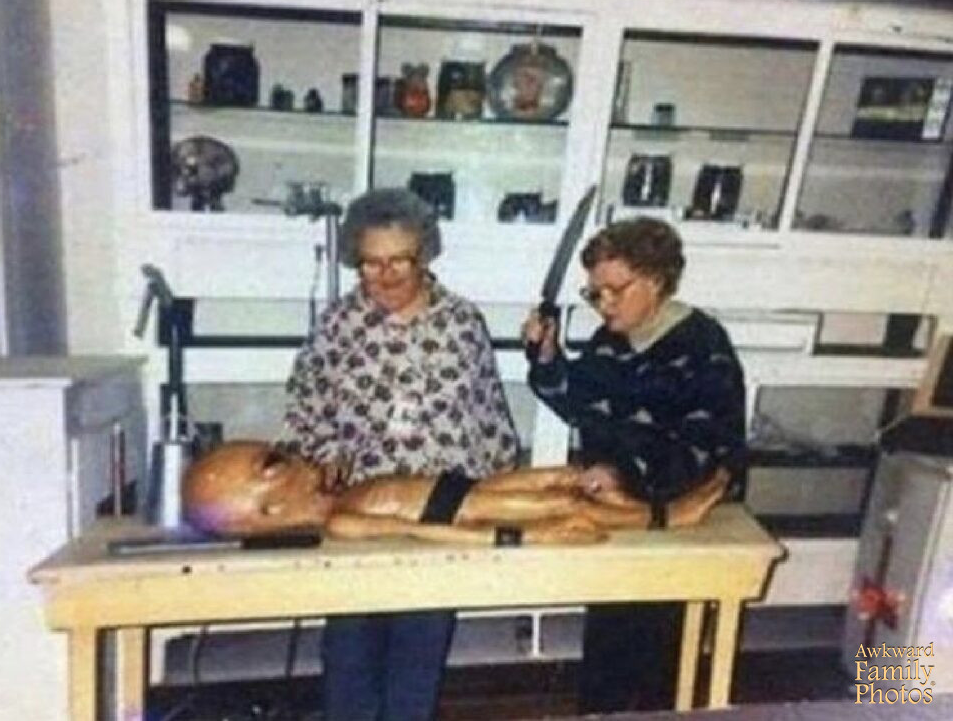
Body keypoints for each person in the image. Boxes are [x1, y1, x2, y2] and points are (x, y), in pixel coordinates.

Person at [274, 188, 518, 721]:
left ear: (424, 255)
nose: (384, 276)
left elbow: (489, 412)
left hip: (441, 504)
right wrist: (324, 452)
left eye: (398, 261)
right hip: (359, 505)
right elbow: (305, 402)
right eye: (370, 263)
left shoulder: (461, 322)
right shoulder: (339, 324)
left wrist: (500, 491)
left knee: (421, 645)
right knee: (349, 646)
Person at [522, 216, 746, 713]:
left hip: (682, 525)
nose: (604, 304)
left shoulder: (702, 344)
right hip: (621, 518)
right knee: (607, 651)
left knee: (654, 666)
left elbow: (707, 454)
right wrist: (548, 357)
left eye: (615, 291)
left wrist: (621, 472)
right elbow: (579, 402)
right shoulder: (611, 338)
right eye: (594, 293)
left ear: (656, 280)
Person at [183, 441, 730, 543]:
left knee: (566, 477)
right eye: (271, 463)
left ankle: (641, 508)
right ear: (271, 508)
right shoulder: (341, 521)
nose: (287, 453)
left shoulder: (338, 497)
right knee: (566, 503)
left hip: (460, 487)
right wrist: (521, 537)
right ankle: (668, 517)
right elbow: (424, 529)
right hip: (458, 507)